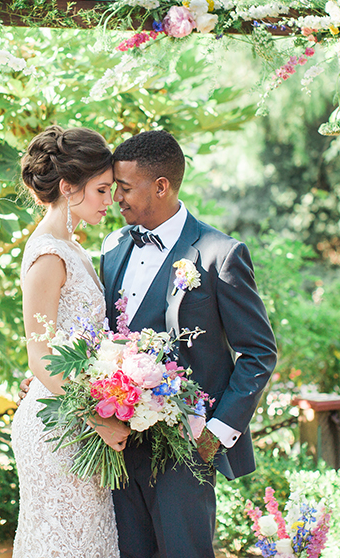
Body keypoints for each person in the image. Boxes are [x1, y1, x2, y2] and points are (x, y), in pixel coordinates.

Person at [100, 130, 278, 558]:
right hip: (118, 444)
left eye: (124, 188)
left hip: (186, 447)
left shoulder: (220, 254)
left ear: (160, 186)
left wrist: (215, 434)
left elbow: (259, 353)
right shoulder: (113, 247)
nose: (115, 198)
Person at [12, 124, 129, 558]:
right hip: (59, 427)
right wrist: (96, 417)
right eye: (101, 190)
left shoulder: (74, 247)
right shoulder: (48, 255)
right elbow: (40, 356)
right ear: (68, 187)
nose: (109, 201)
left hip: (78, 420)